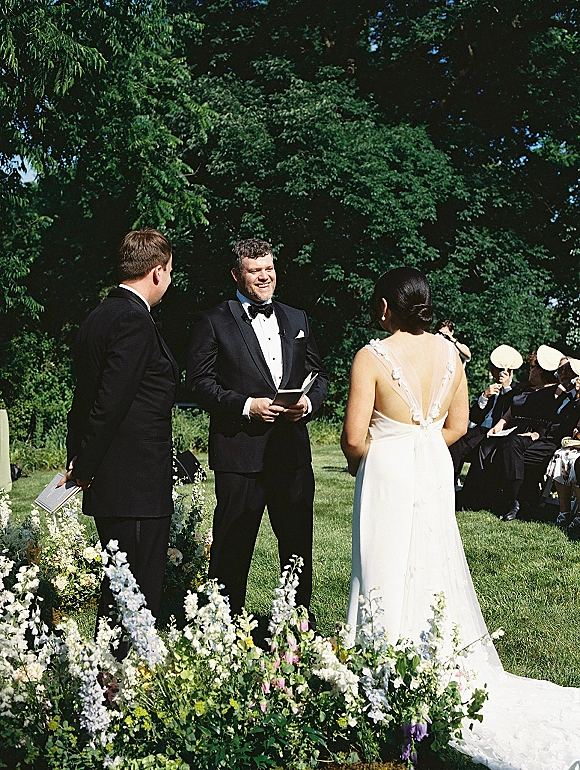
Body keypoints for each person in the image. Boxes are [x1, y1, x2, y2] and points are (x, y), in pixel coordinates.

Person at [341, 267, 580, 770]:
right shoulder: (452, 355)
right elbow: (459, 425)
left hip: (388, 467)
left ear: (385, 307)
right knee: (431, 556)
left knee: (382, 558)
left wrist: (385, 453)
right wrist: (423, 446)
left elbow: (353, 438)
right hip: (432, 464)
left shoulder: (371, 356)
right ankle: (430, 658)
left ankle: (381, 667)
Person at [186, 238, 328, 621]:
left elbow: (320, 377)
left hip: (292, 454)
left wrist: (308, 404)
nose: (264, 276)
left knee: (297, 545)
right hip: (240, 455)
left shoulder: (297, 317)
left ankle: (295, 625)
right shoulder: (213, 319)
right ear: (237, 274)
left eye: (268, 268)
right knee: (233, 546)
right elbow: (198, 383)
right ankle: (223, 626)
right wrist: (247, 406)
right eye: (254, 270)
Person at [62, 229, 177, 651]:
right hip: (135, 482)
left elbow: (83, 401)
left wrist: (80, 457)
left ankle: (109, 684)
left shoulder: (98, 316)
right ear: (156, 272)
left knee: (117, 591)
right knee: (136, 594)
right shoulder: (133, 320)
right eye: (169, 272)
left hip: (113, 478)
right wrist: (85, 466)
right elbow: (109, 403)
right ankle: (124, 691)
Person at [449, 344, 523, 509]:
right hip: (480, 429)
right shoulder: (491, 388)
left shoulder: (517, 390)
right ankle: (448, 487)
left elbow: (513, 411)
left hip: (499, 433)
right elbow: (474, 417)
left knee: (483, 449)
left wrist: (506, 390)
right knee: (455, 444)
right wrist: (484, 397)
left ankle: (468, 499)